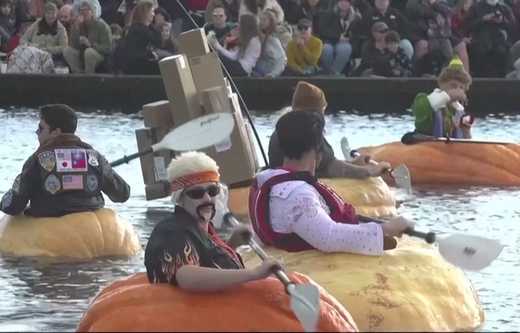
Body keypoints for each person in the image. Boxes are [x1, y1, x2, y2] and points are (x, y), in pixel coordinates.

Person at [250, 108, 414, 254]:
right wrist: (387, 228)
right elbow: (328, 236)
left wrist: (383, 224)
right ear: (318, 148)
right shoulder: (297, 195)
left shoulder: (266, 180)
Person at [145, 151, 281, 288]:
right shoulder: (172, 231)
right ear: (180, 198)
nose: (207, 199)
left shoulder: (198, 227)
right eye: (196, 193)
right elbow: (187, 276)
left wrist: (231, 244)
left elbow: (205, 259)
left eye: (212, 191)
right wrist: (254, 274)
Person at [0, 104, 130, 218]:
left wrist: (5, 201)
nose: (37, 133)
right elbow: (122, 193)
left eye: (41, 129)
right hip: (90, 225)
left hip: (49, 227)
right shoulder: (95, 158)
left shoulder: (37, 159)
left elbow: (14, 206)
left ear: (56, 132)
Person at [268, 81, 390, 179]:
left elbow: (323, 164)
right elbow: (331, 167)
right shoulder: (308, 134)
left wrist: (354, 163)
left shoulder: (281, 130)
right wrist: (369, 172)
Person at [404, 56, 472, 142]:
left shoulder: (458, 111)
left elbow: (465, 142)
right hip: (423, 148)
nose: (458, 90)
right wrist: (448, 95)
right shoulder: (424, 98)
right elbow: (419, 110)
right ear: (442, 84)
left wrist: (465, 131)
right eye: (453, 86)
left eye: (461, 88)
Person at [63, 1, 113, 74]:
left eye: (86, 10)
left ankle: (89, 77)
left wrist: (91, 44)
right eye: (80, 10)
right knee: (67, 50)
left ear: (92, 12)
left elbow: (108, 48)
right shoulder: (78, 24)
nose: (83, 13)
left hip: (99, 55)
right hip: (82, 53)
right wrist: (75, 27)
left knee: (89, 52)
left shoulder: (102, 26)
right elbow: (73, 45)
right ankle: (79, 74)